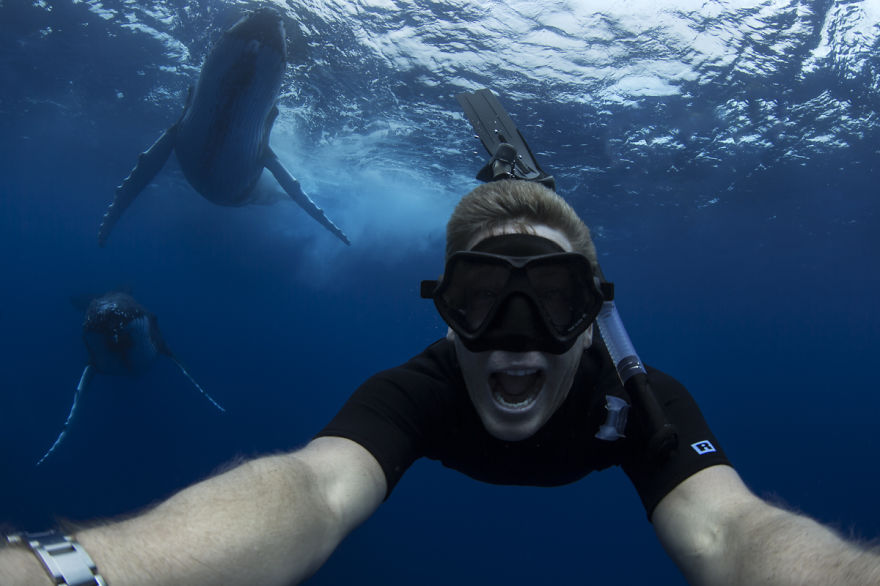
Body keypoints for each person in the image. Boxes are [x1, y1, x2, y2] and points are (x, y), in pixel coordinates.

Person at [2, 179, 879, 586]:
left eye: (555, 304)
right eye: (483, 302)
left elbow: (732, 534)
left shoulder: (639, 400)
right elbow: (312, 490)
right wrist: (83, 572)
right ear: (443, 315)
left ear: (595, 316)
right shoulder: (421, 391)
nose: (516, 342)